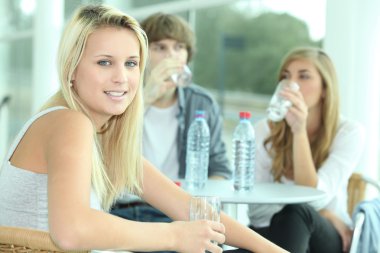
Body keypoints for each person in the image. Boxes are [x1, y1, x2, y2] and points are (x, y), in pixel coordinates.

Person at [0, 4, 288, 253]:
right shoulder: (68, 123)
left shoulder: (102, 138)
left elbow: (187, 207)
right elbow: (71, 230)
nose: (121, 78)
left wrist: (269, 248)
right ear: (71, 70)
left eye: (131, 64)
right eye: (104, 62)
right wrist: (176, 236)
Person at [111, 12, 231, 225]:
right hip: (121, 211)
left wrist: (194, 202)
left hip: (178, 215)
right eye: (160, 47)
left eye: (179, 47)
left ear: (187, 56)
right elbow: (100, 149)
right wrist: (146, 97)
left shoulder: (201, 103)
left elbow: (220, 170)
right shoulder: (116, 95)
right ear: (141, 55)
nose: (171, 57)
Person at [247, 47, 366, 253]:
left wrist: (298, 131)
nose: (291, 85)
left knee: (297, 214)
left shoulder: (349, 132)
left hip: (324, 237)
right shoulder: (264, 130)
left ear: (325, 89)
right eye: (285, 76)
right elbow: (257, 210)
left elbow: (314, 196)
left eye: (304, 76)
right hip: (271, 232)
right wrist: (326, 212)